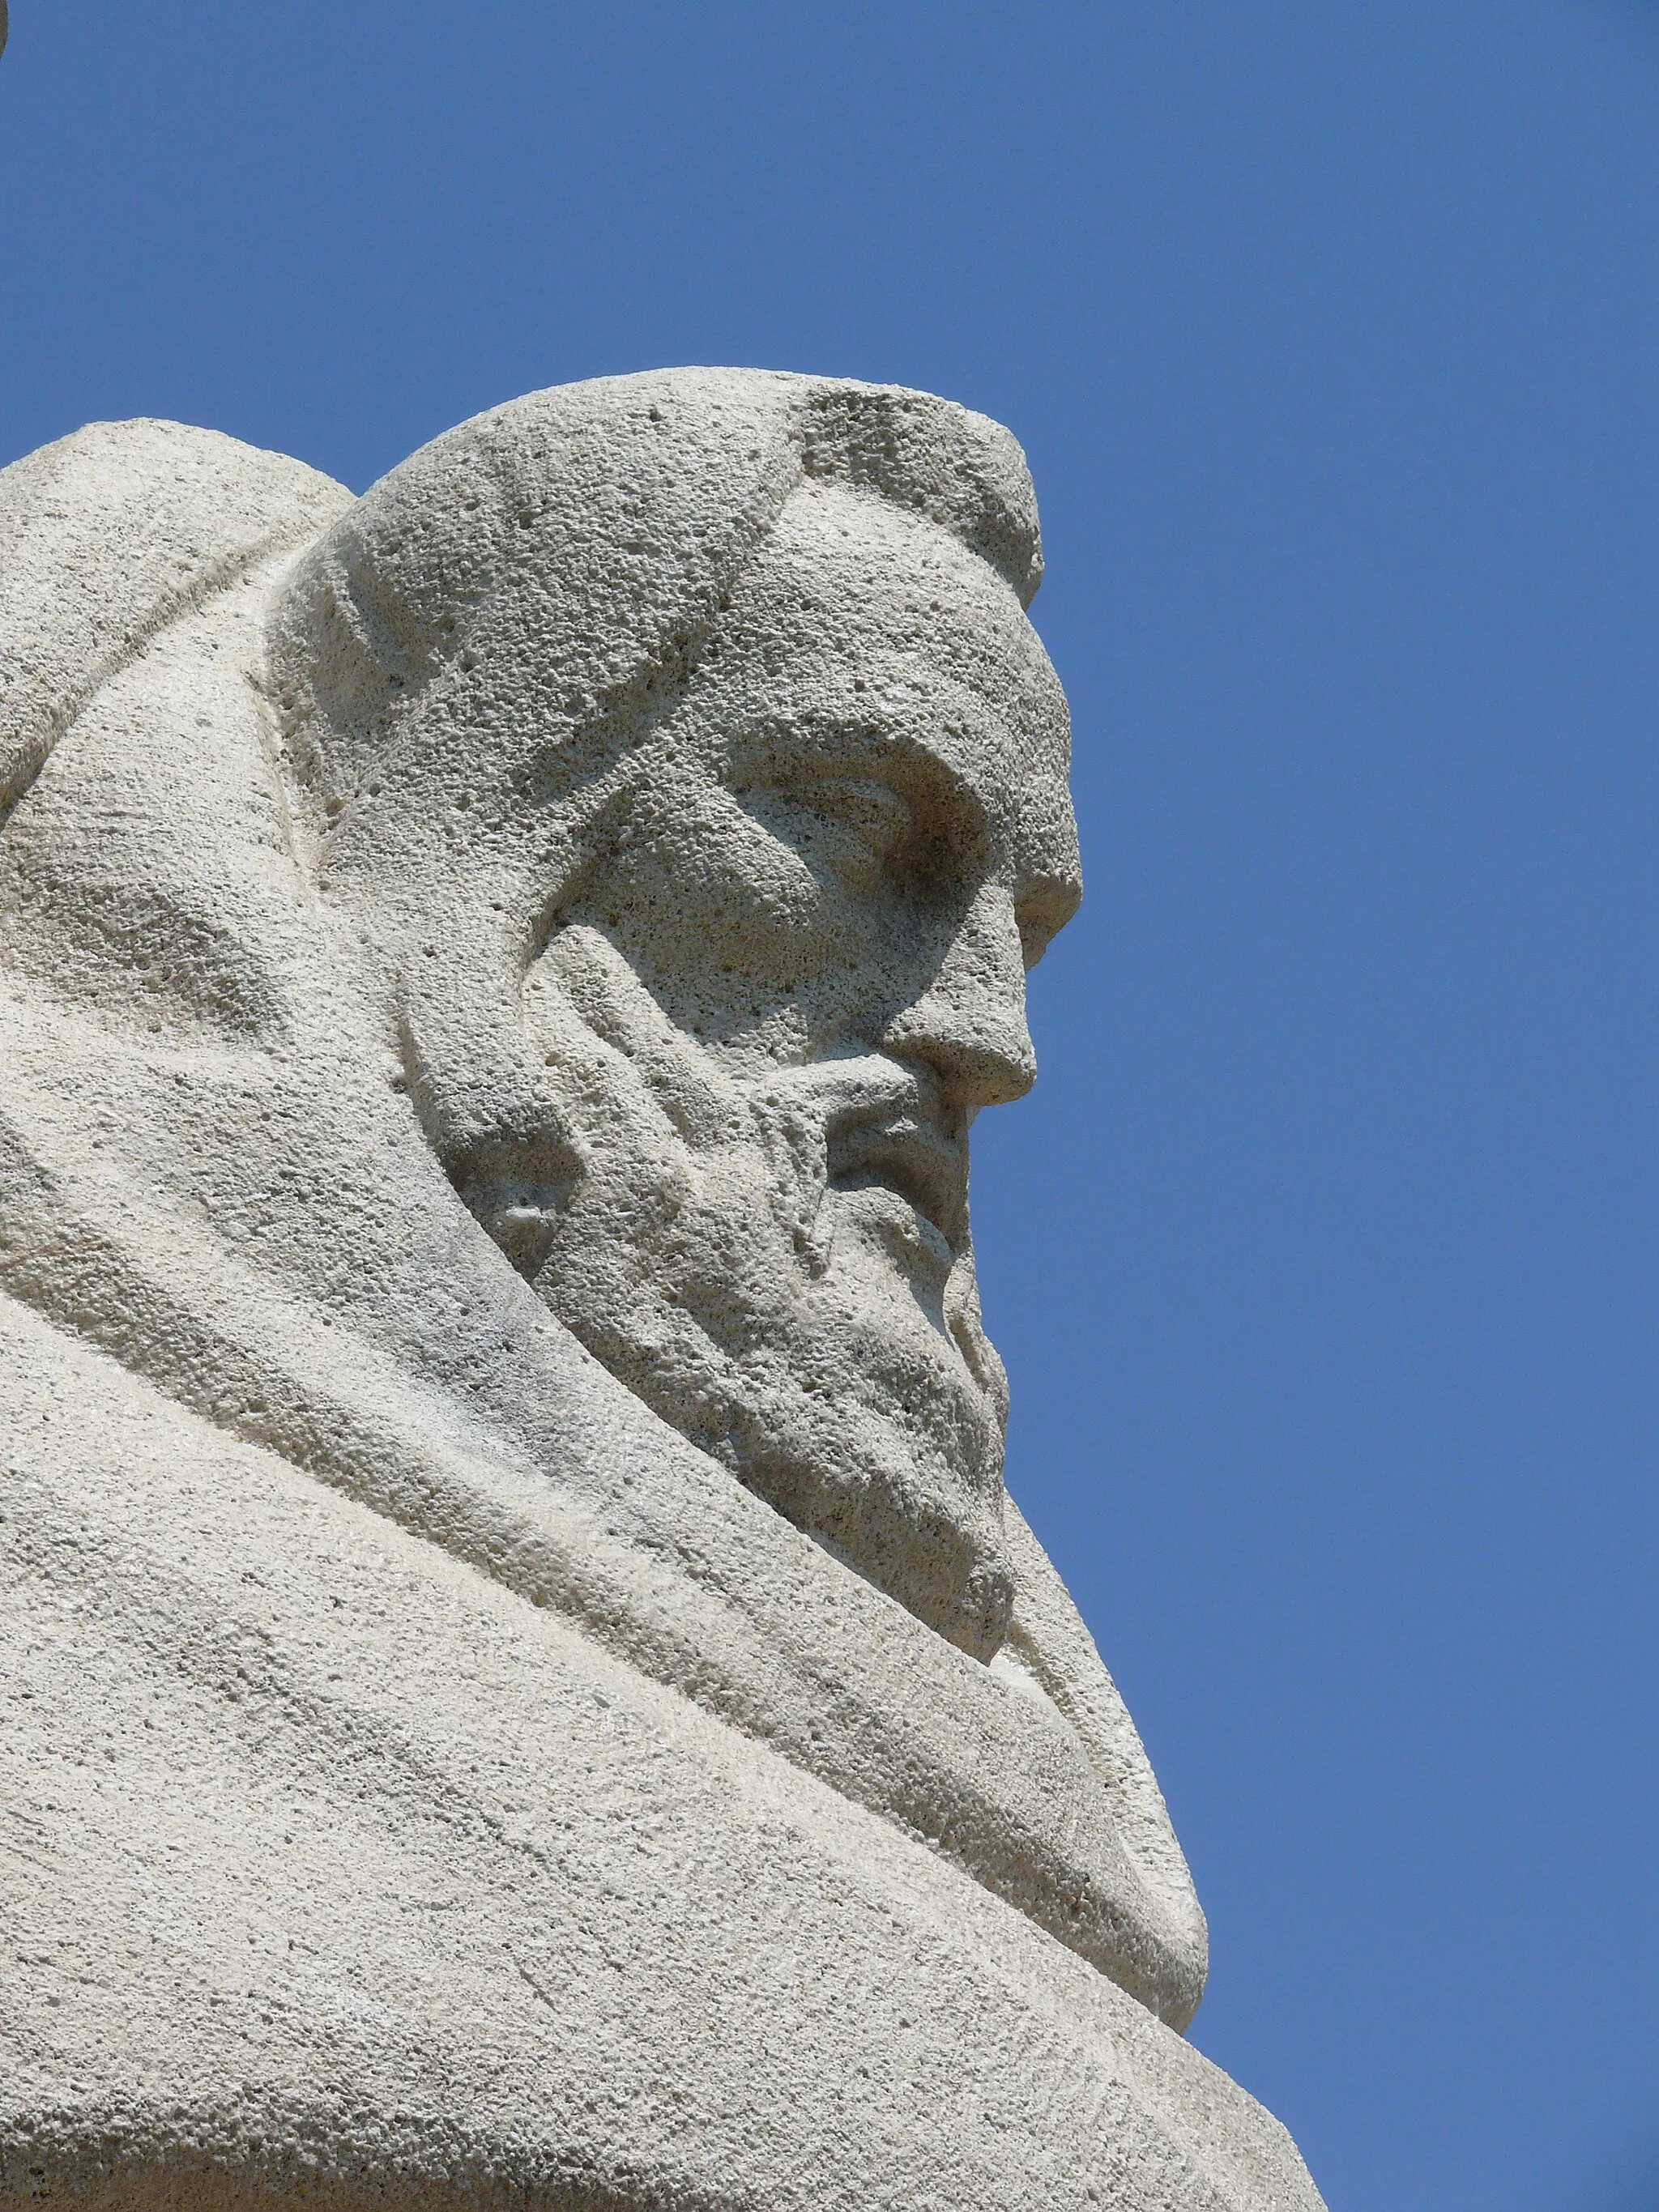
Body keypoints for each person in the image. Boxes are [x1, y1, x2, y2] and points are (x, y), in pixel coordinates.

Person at [0, 372, 1324, 2210]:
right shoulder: (66, 1546)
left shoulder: (1033, 1834)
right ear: (466, 814)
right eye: (863, 831)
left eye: (1016, 933)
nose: (984, 1039)